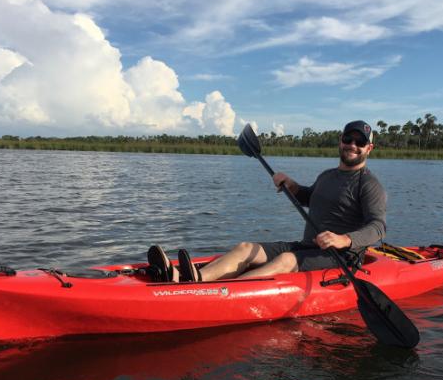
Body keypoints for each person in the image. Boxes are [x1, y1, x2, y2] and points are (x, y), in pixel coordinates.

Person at [147, 120, 387, 282]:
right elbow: (309, 198)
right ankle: (193, 280)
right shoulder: (327, 175)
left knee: (285, 260)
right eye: (349, 139)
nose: (353, 145)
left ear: (369, 148)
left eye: (360, 142)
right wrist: (292, 186)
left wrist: (344, 239)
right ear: (341, 141)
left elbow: (378, 227)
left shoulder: (368, 183)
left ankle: (219, 295)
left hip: (340, 257)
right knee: (245, 248)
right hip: (308, 246)